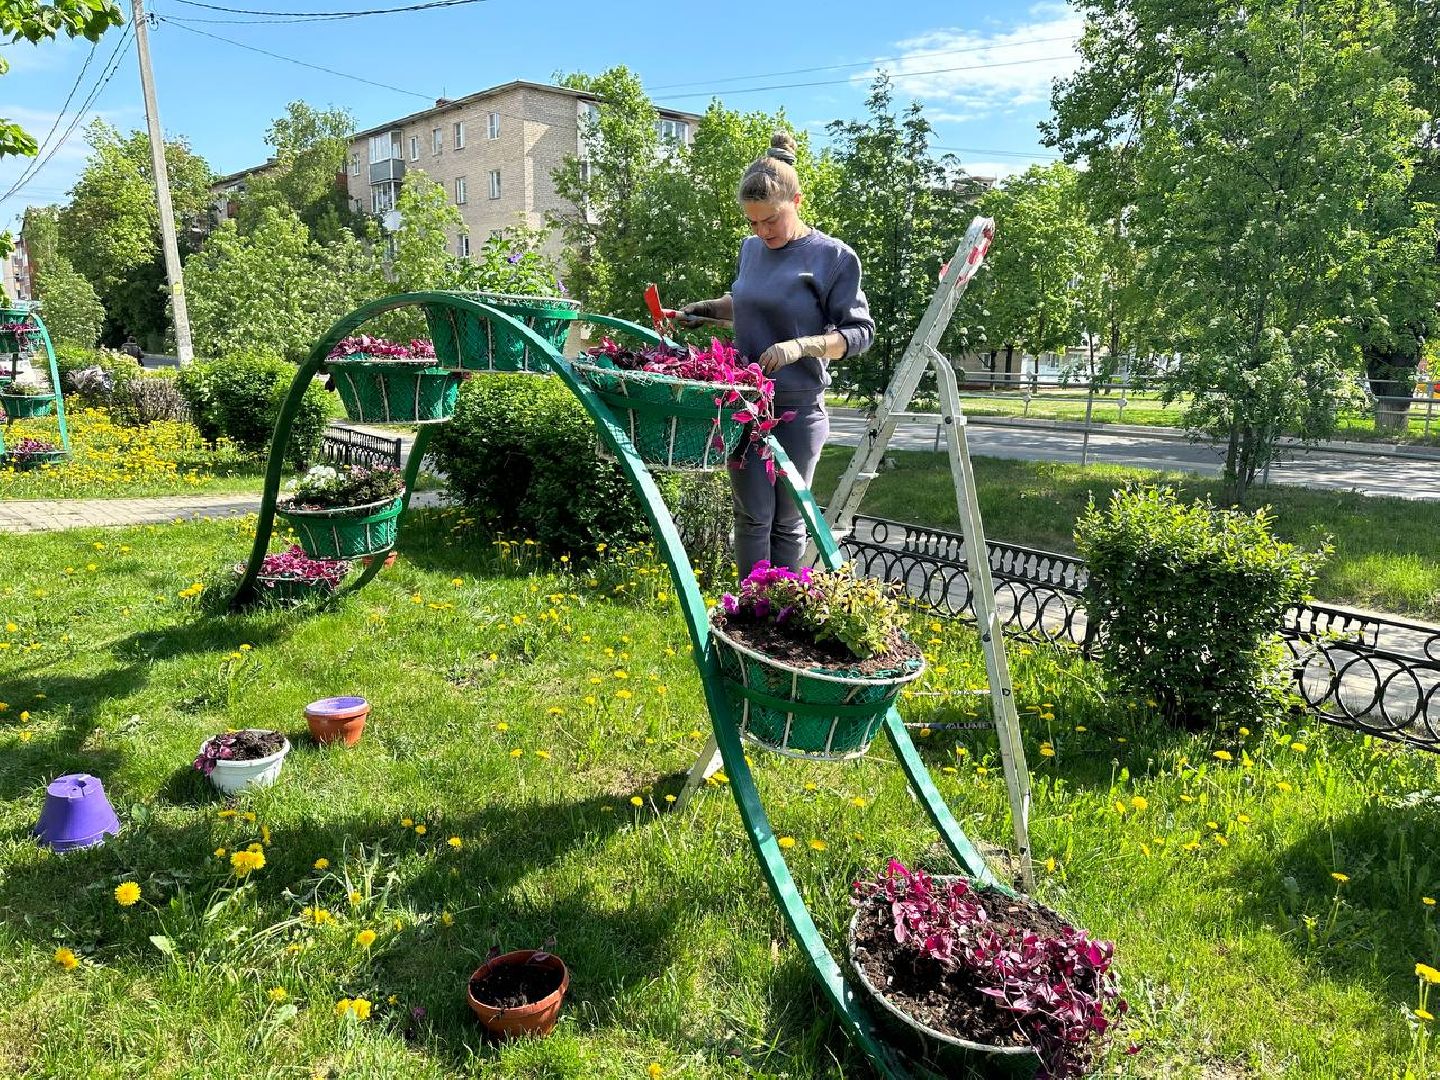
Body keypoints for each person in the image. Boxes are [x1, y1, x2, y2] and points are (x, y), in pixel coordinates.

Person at [681, 131, 874, 579]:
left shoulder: (833, 257)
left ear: (797, 201)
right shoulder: (751, 249)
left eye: (771, 220)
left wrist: (801, 346)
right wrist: (708, 309)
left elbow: (860, 333)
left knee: (787, 523)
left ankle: (781, 608)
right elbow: (752, 304)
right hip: (744, 403)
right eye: (753, 222)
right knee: (751, 518)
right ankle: (749, 608)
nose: (762, 231)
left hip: (797, 407)